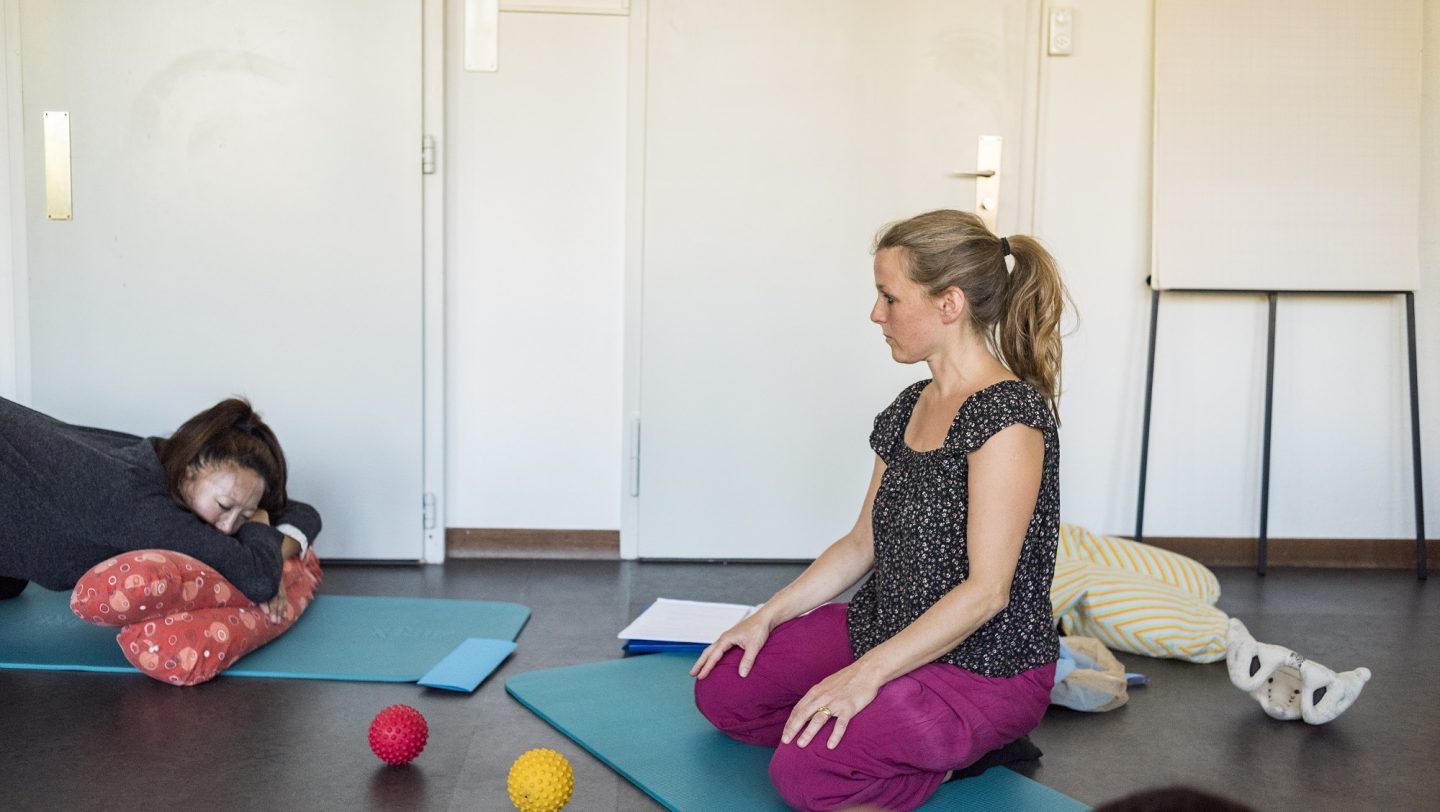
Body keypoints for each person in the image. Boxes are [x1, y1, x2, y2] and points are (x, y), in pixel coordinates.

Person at [691, 209, 1070, 812]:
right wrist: (763, 616)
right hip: (884, 627)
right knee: (724, 688)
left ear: (949, 304)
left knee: (806, 776)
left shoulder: (1009, 418)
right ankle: (869, 728)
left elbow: (988, 591)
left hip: (984, 665)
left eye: (889, 297)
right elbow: (860, 543)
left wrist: (866, 675)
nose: (876, 314)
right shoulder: (910, 405)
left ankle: (970, 754)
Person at [1, 396, 321, 621]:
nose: (228, 528)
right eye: (224, 507)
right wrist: (261, 531)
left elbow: (304, 513)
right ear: (191, 469)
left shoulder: (168, 461)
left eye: (245, 515)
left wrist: (263, 534)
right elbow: (258, 579)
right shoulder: (139, 501)